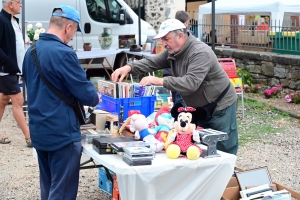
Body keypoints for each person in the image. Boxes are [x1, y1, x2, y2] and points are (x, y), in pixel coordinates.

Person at [111, 19, 239, 155]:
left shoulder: (200, 52)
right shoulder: (173, 51)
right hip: (200, 107)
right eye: (162, 39)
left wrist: (159, 80)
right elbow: (152, 62)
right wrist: (129, 67)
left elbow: (191, 82)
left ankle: (228, 175)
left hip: (220, 105)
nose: (164, 43)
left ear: (181, 36)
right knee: (199, 145)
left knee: (223, 147)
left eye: (167, 39)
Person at [22, 5, 100, 199]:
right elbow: (87, 95)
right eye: (74, 31)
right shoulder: (64, 53)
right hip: (62, 133)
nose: (73, 36)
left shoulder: (30, 52)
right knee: (62, 192)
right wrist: (97, 96)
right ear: (68, 27)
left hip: (39, 129)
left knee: (48, 188)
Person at [0, 0, 31, 147]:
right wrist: (9, 63)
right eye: (19, 2)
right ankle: (29, 137)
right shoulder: (1, 20)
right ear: (10, 4)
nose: (21, 5)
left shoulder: (14, 21)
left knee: (3, 101)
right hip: (6, 70)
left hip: (14, 69)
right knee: (18, 99)